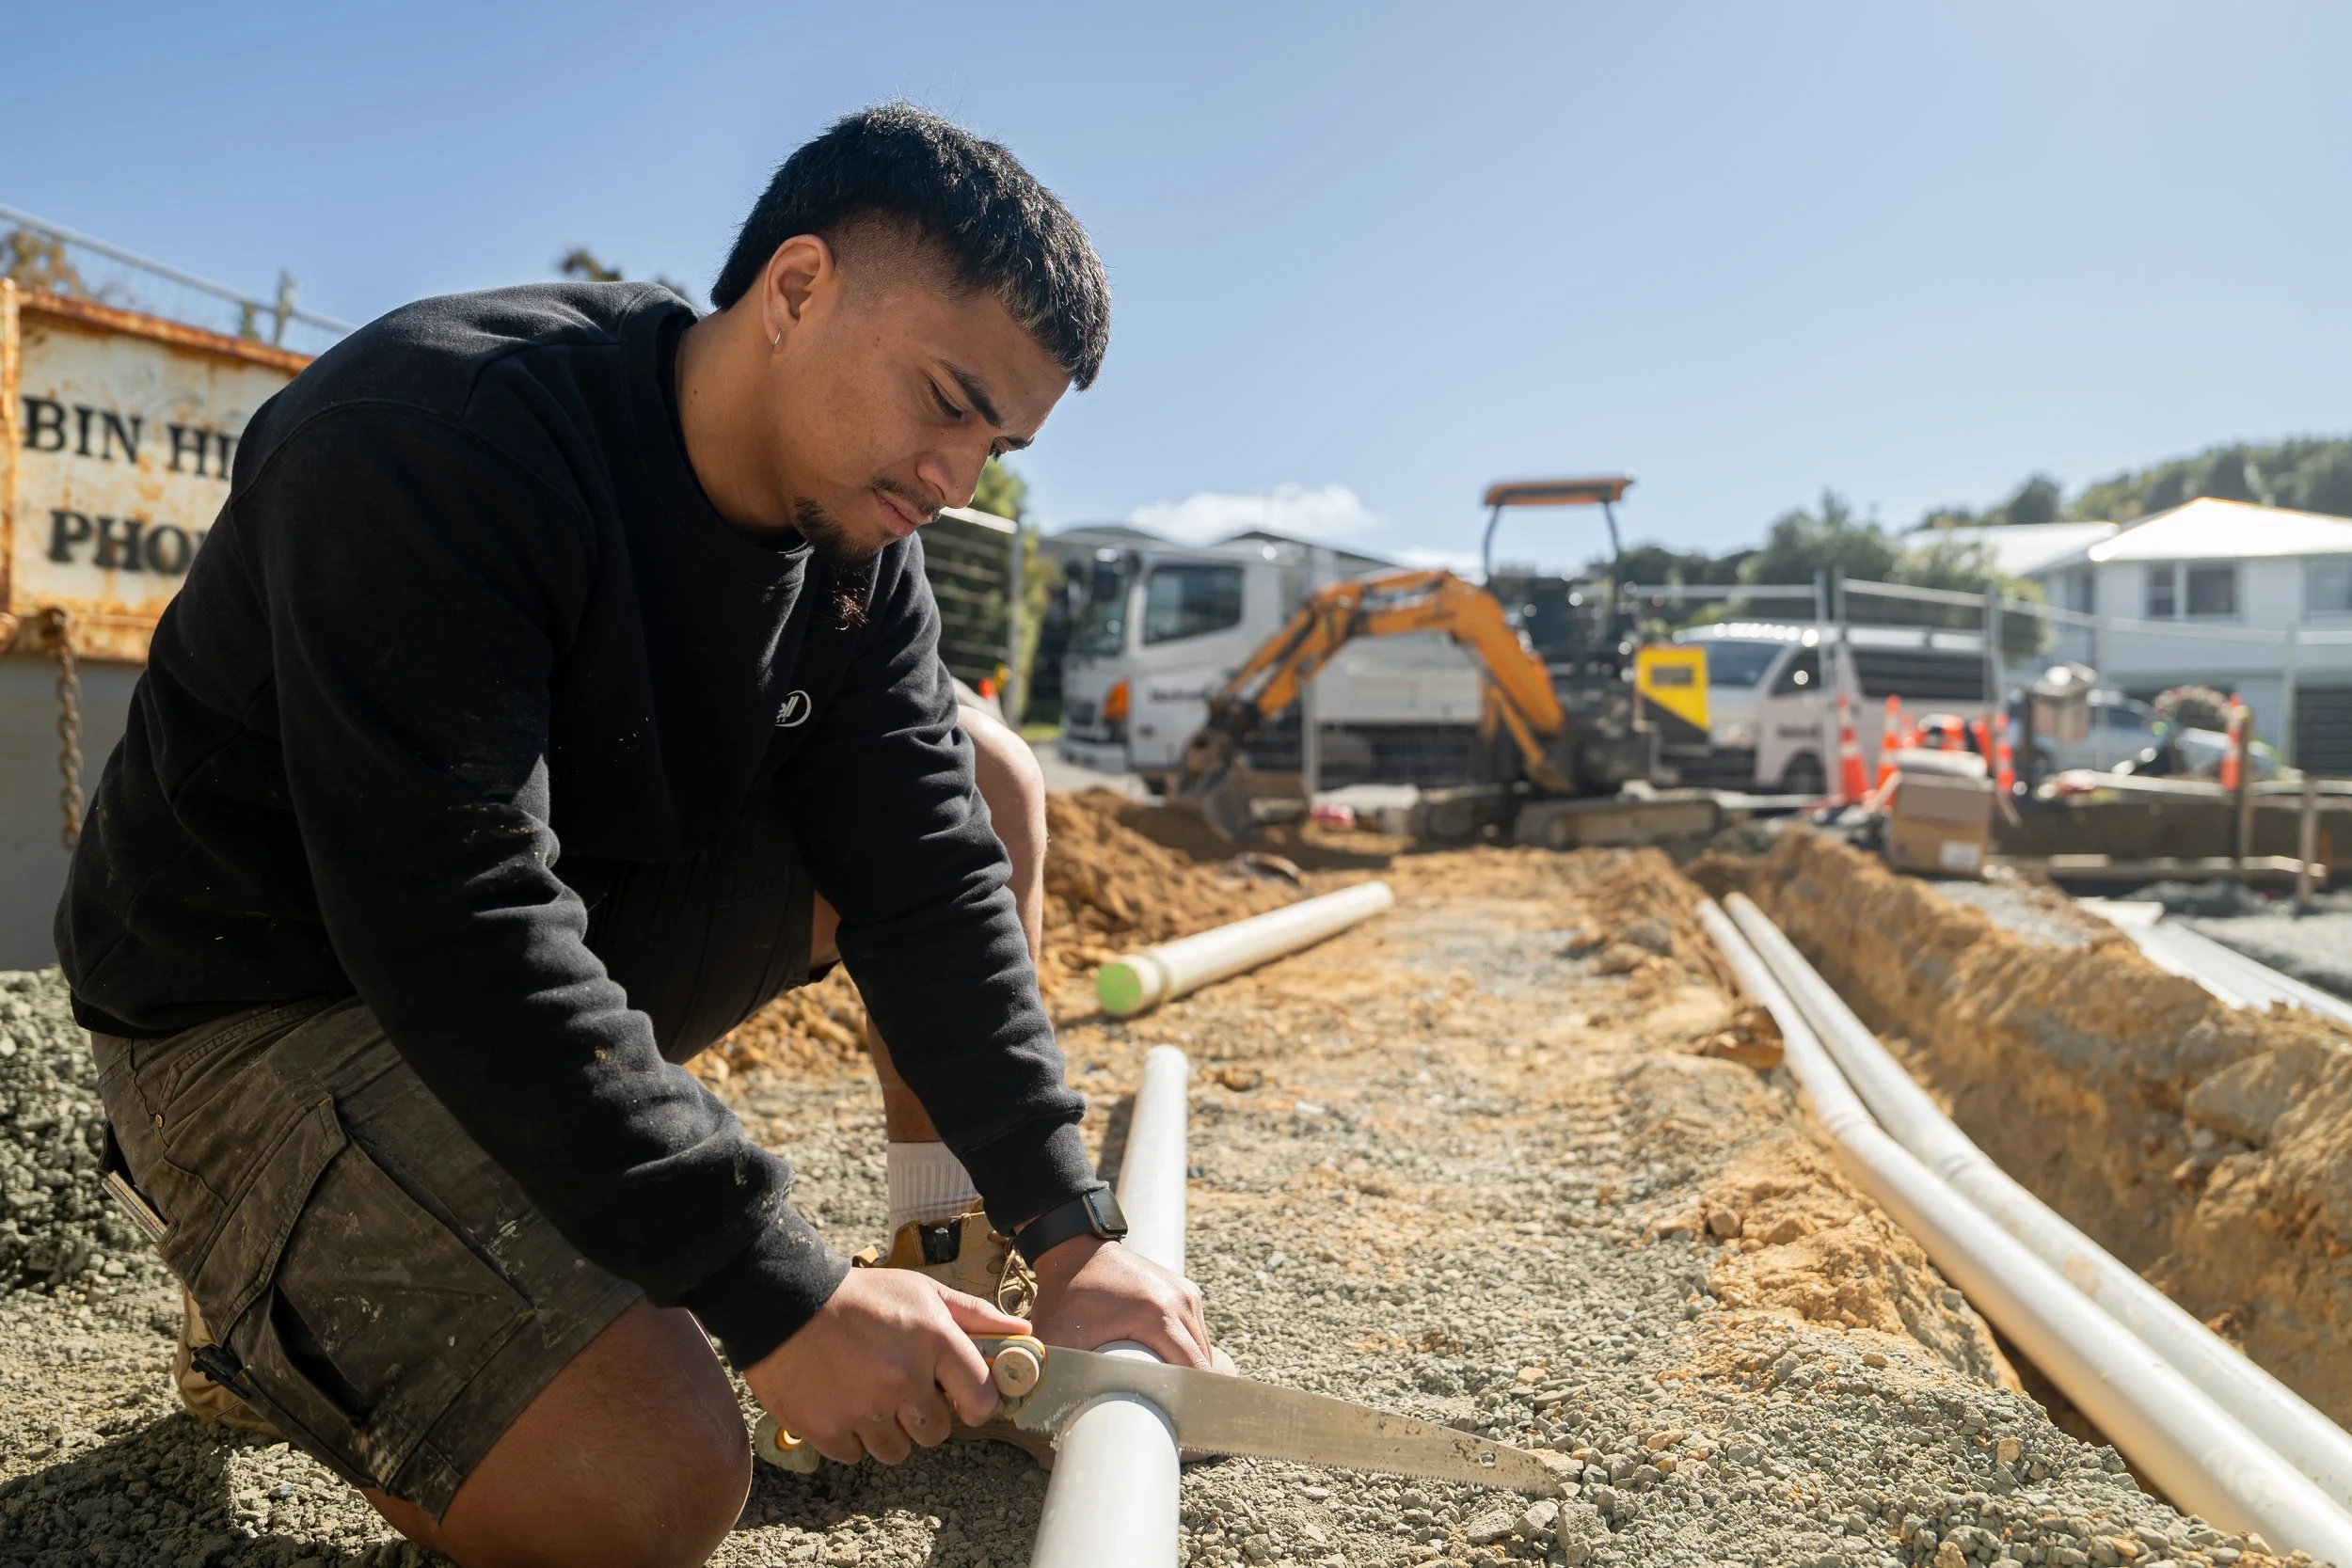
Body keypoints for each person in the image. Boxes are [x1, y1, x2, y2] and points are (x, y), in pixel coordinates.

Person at [57, 103, 1211, 1568]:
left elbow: (928, 872)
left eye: (997, 441)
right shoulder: (437, 436)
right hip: (263, 1001)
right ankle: (269, 1320)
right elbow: (454, 913)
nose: (956, 479)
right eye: (945, 398)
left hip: (528, 941)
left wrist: (1069, 1225)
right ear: (795, 290)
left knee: (982, 775)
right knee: (646, 1485)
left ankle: (940, 1250)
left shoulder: (860, 548)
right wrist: (775, 1289)